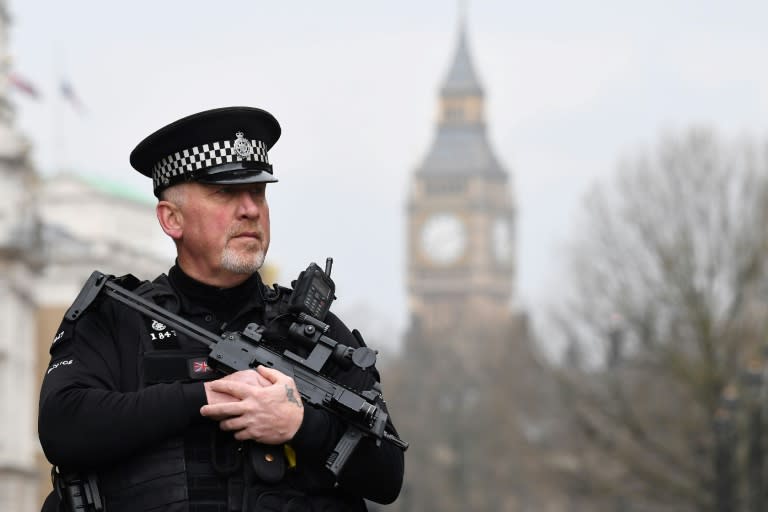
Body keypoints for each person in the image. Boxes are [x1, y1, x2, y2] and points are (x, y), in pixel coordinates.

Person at [38, 106, 405, 512]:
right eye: (225, 193)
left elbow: (388, 473)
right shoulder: (116, 317)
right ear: (171, 219)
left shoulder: (315, 333)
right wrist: (206, 396)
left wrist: (300, 425)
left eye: (259, 192)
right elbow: (63, 427)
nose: (250, 209)